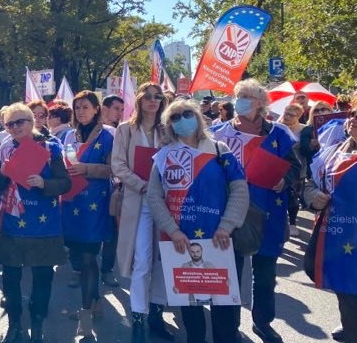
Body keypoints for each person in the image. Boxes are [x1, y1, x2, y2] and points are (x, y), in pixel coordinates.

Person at [148, 99, 249, 343]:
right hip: (181, 242)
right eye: (174, 117)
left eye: (186, 114)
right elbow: (154, 197)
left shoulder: (219, 149)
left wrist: (227, 226)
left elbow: (239, 188)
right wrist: (172, 231)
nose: (182, 120)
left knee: (224, 313)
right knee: (191, 313)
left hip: (220, 241)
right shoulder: (163, 157)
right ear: (169, 125)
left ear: (198, 116)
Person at [211, 79, 301, 343]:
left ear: (261, 102)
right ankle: (229, 328)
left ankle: (263, 323)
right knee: (229, 272)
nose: (241, 100)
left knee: (264, 275)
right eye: (239, 95)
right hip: (228, 215)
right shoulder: (217, 133)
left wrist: (286, 180)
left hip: (267, 214)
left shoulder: (280, 134)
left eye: (248, 96)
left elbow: (296, 167)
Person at [0, 103, 70, 343]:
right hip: (13, 225)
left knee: (42, 277)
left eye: (20, 122)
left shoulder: (51, 147)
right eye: (10, 124)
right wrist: (3, 174)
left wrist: (44, 184)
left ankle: (37, 322)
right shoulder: (5, 149)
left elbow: (65, 183)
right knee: (10, 278)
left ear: (32, 122)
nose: (16, 127)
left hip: (43, 227)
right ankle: (15, 323)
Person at [111, 83, 174, 343]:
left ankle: (156, 313)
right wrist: (143, 185)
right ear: (138, 100)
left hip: (168, 202)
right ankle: (138, 314)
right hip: (139, 202)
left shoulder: (169, 131)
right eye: (147, 96)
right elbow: (118, 165)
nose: (152, 101)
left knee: (164, 259)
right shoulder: (126, 130)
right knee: (142, 259)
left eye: (157, 97)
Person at [61, 91, 115, 341]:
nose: (81, 111)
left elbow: (114, 169)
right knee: (79, 257)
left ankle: (85, 315)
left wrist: (87, 169)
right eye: (77, 107)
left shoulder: (108, 136)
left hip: (95, 203)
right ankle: (95, 301)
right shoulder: (70, 136)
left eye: (86, 107)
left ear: (97, 109)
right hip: (72, 204)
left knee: (88, 257)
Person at [304, 103, 356, 343]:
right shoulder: (334, 150)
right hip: (336, 232)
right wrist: (313, 196)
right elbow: (312, 183)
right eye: (353, 114)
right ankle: (350, 324)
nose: (354, 119)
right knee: (343, 285)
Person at [99, 94, 124, 289]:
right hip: (90, 190)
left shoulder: (122, 132)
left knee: (111, 232)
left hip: (113, 190)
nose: (120, 113)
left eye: (122, 110)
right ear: (104, 109)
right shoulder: (86, 130)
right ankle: (79, 269)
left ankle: (107, 269)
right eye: (116, 108)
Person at [279, 103, 307, 237]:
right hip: (278, 168)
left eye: (291, 115)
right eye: (285, 113)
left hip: (297, 169)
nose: (287, 116)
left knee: (293, 197)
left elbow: (307, 150)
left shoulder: (304, 130)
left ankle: (293, 223)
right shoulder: (276, 126)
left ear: (299, 116)